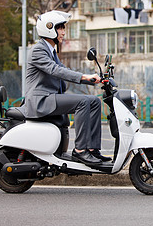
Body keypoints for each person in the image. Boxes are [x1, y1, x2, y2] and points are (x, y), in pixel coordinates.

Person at [20, 10, 111, 166]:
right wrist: (85, 77)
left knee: (94, 101)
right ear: (49, 29)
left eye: (63, 28)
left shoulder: (51, 51)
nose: (63, 32)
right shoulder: (38, 50)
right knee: (83, 102)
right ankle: (80, 151)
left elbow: (64, 71)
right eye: (60, 28)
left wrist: (94, 79)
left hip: (49, 98)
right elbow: (56, 71)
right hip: (41, 100)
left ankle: (92, 149)